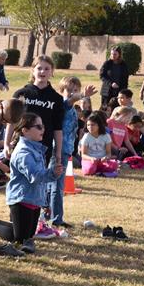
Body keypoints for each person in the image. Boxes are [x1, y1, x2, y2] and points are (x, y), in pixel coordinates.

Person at [0, 113, 58, 257]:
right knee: (19, 239)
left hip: (34, 199)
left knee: (28, 237)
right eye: (38, 127)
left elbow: (41, 177)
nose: (42, 129)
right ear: (25, 131)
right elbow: (36, 176)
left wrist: (54, 174)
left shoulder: (35, 148)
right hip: (21, 199)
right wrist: (52, 172)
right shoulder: (23, 152)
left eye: (43, 126)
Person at [45, 77, 96, 231]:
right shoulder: (62, 105)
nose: (73, 93)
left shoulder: (73, 109)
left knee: (52, 183)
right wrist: (81, 95)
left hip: (65, 149)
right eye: (69, 90)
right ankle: (56, 219)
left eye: (76, 90)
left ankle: (48, 214)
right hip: (58, 149)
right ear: (61, 91)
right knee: (56, 185)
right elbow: (68, 102)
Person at [6, 55, 64, 180]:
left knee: (39, 180)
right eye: (39, 68)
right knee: (20, 180)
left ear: (52, 72)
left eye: (47, 69)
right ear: (33, 70)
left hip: (43, 146)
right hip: (22, 144)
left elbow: (58, 129)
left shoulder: (56, 99)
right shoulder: (22, 94)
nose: (42, 71)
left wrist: (58, 152)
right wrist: (6, 143)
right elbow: (12, 121)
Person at [79, 112, 119, 176]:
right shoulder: (86, 136)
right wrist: (91, 159)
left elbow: (108, 153)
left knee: (114, 165)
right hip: (90, 161)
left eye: (93, 125)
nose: (90, 127)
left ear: (99, 125)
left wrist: (106, 157)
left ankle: (97, 170)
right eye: (88, 125)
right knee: (90, 169)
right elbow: (83, 155)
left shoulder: (106, 136)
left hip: (102, 161)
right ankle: (96, 169)